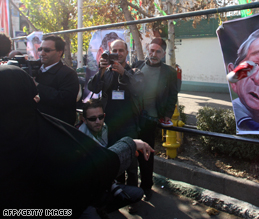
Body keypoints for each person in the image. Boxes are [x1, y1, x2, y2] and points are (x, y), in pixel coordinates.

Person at [0, 65, 153, 218]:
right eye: (32, 92)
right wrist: (129, 145)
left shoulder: (30, 128)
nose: (38, 97)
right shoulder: (41, 134)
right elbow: (93, 166)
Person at [88, 39, 143, 193]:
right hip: (109, 122)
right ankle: (118, 193)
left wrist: (123, 73)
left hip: (129, 123)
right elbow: (92, 86)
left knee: (131, 160)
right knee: (113, 158)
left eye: (121, 51)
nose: (117, 54)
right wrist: (101, 70)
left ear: (126, 53)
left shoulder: (134, 72)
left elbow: (140, 88)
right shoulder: (106, 73)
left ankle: (133, 194)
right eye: (114, 51)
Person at [132, 37, 179, 200]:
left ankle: (146, 187)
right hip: (132, 118)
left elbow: (173, 95)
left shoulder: (169, 72)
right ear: (147, 50)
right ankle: (130, 190)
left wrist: (167, 114)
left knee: (146, 155)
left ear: (163, 53)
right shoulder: (137, 66)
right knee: (130, 153)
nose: (154, 54)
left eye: (158, 51)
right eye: (151, 50)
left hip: (150, 119)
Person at [33, 35, 79, 126]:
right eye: (40, 49)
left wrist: (37, 86)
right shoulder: (34, 70)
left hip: (57, 128)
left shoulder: (68, 74)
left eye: (47, 50)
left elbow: (65, 100)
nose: (42, 53)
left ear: (59, 52)